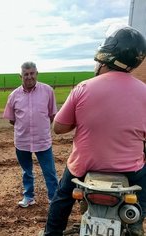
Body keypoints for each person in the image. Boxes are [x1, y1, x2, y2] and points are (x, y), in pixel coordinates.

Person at [42, 26, 146, 236]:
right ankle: (136, 219)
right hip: (130, 170)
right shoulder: (144, 92)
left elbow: (59, 128)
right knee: (143, 193)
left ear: (106, 54)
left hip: (83, 166)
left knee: (62, 198)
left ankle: (51, 233)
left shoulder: (83, 88)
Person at [3, 61, 58, 208]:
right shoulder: (13, 95)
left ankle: (54, 199)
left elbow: (52, 115)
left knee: (49, 172)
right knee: (26, 172)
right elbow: (12, 120)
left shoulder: (47, 91)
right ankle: (28, 196)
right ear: (20, 76)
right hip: (22, 141)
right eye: (26, 74)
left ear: (37, 73)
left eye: (32, 73)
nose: (29, 77)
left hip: (42, 140)